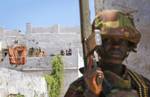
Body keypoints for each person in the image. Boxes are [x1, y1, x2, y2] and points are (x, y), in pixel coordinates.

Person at [64, 10, 150, 97]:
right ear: (97, 45)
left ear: (129, 46)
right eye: (107, 39)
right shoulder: (79, 87)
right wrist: (92, 93)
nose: (116, 45)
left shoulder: (143, 86)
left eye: (122, 40)